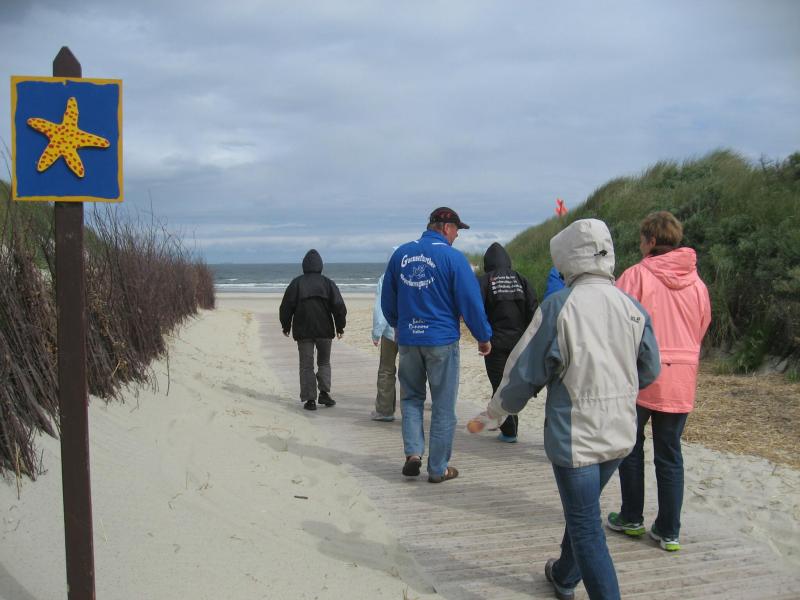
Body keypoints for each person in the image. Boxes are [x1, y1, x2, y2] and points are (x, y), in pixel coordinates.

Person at [473, 219, 661, 600]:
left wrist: (494, 413)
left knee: (587, 525)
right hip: (620, 433)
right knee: (583, 512)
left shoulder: (560, 307)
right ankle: (563, 574)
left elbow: (523, 373)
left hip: (575, 438)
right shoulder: (632, 308)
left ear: (568, 258)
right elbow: (650, 369)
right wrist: (618, 388)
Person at [606, 211, 711, 552]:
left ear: (651, 240)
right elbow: (702, 325)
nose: (640, 246)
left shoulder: (636, 275)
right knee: (670, 452)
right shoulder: (697, 284)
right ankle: (669, 531)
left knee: (630, 446)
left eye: (642, 240)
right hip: (681, 375)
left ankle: (631, 516)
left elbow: (617, 322)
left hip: (641, 372)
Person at [382, 207, 493, 483]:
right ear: (445, 228)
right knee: (443, 405)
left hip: (409, 339)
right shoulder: (453, 258)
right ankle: (438, 468)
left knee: (411, 398)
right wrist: (483, 336)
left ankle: (413, 454)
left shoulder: (401, 254)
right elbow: (471, 302)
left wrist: (398, 323)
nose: (457, 236)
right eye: (457, 230)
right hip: (441, 339)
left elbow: (388, 298)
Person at [478, 242, 538, 442]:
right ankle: (501, 421)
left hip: (494, 343)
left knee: (499, 385)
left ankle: (510, 431)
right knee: (510, 384)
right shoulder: (522, 280)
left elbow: (477, 311)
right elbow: (533, 310)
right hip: (519, 342)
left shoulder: (485, 281)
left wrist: (482, 337)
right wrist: (529, 338)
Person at [279, 249, 347, 411]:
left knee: (306, 365)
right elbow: (339, 306)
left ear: (304, 265)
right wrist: (340, 326)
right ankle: (324, 393)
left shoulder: (296, 283)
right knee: (324, 362)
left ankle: (310, 400)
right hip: (325, 330)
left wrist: (285, 325)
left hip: (303, 331)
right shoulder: (328, 283)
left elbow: (286, 307)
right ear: (320, 265)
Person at [371, 270, 398, 421]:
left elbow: (380, 307)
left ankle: (385, 411)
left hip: (390, 331)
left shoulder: (386, 276)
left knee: (386, 370)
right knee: (411, 372)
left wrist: (376, 333)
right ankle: (411, 412)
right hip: (412, 331)